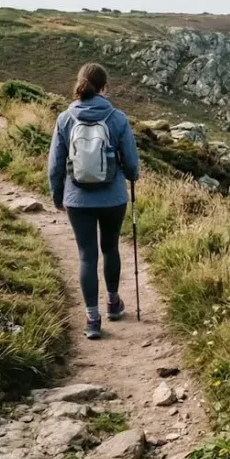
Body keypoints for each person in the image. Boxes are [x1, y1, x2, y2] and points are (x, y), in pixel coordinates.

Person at [47, 63, 140, 339]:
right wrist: (132, 176)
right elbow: (131, 162)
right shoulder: (117, 118)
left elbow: (55, 165)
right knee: (110, 248)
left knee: (87, 255)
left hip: (77, 199)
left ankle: (92, 319)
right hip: (113, 198)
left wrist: (58, 197)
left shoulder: (65, 119)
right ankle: (112, 303)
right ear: (104, 87)